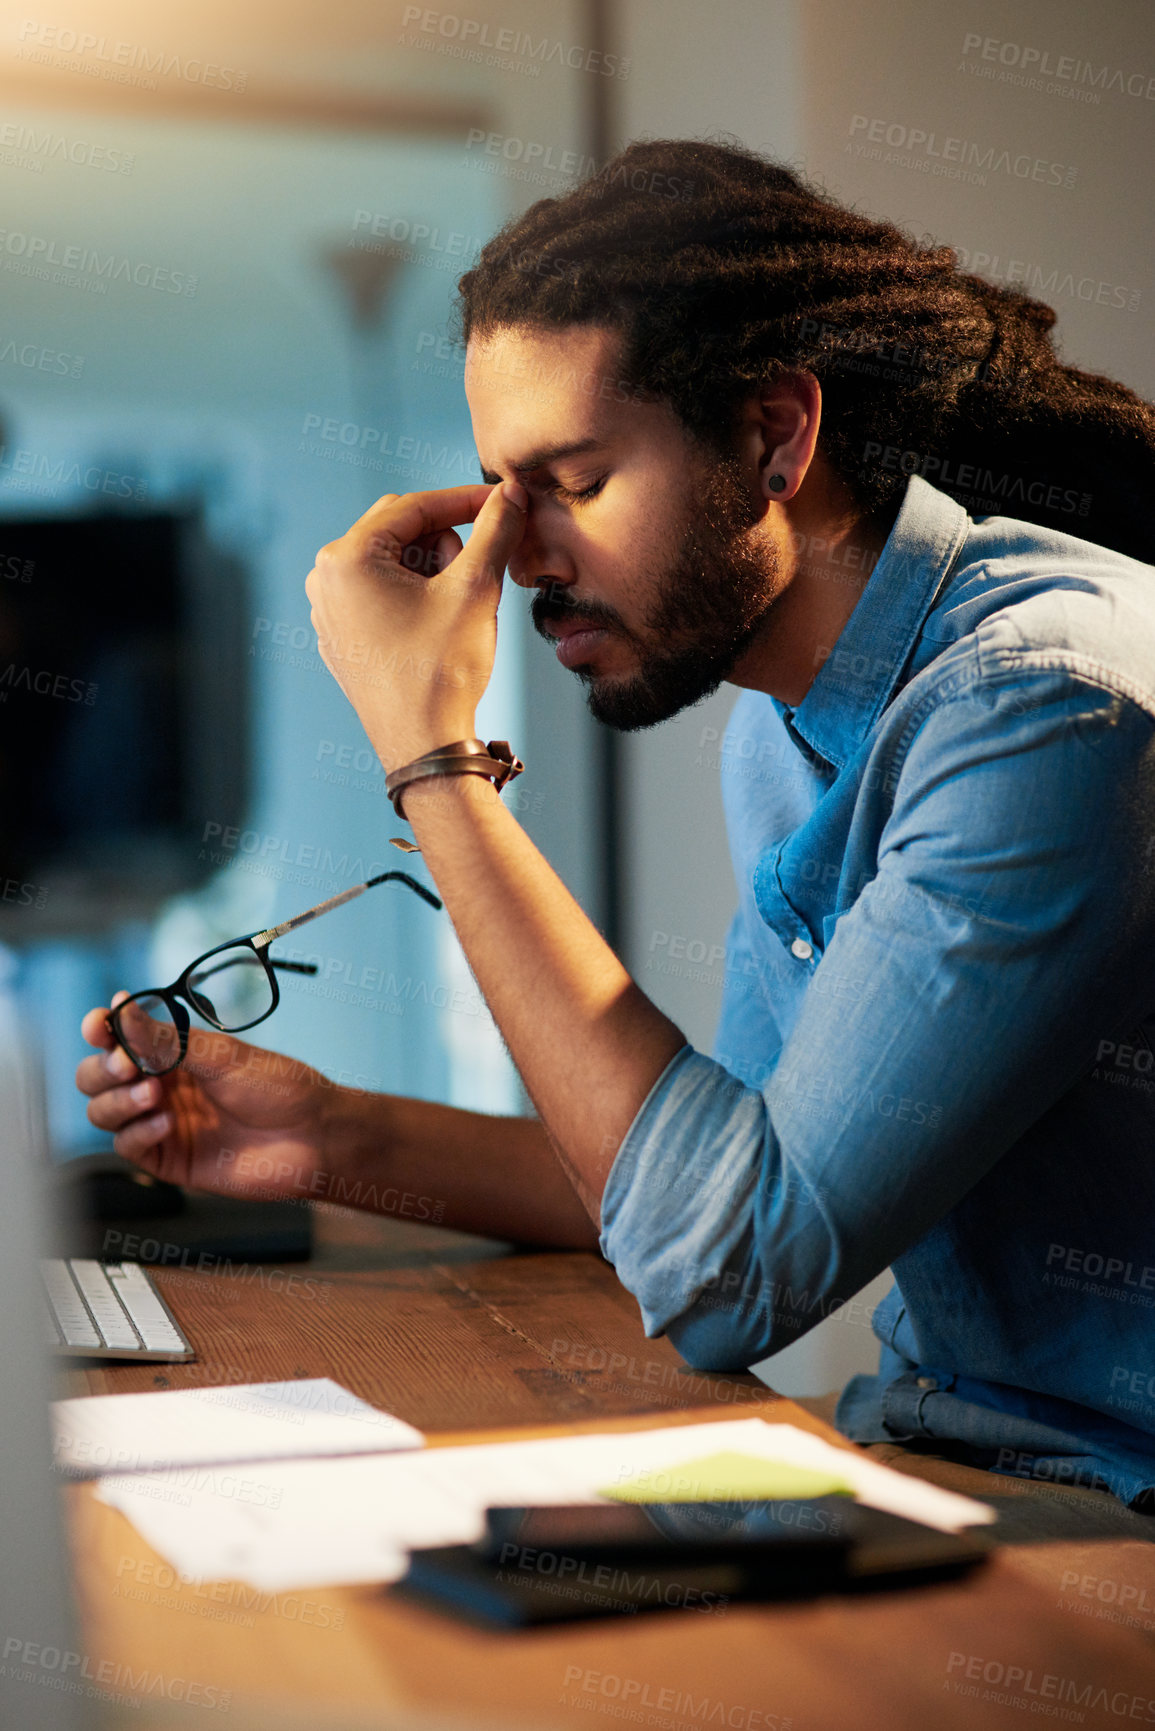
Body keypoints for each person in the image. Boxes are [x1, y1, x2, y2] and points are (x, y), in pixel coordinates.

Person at [78, 140, 1155, 1509]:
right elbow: (714, 1176)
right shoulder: (787, 716)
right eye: (498, 490)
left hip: (1113, 1523)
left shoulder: (1047, 709)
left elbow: (734, 1265)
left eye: (573, 482)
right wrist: (336, 1141)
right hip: (951, 1460)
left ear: (774, 435)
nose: (516, 557)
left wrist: (435, 758)